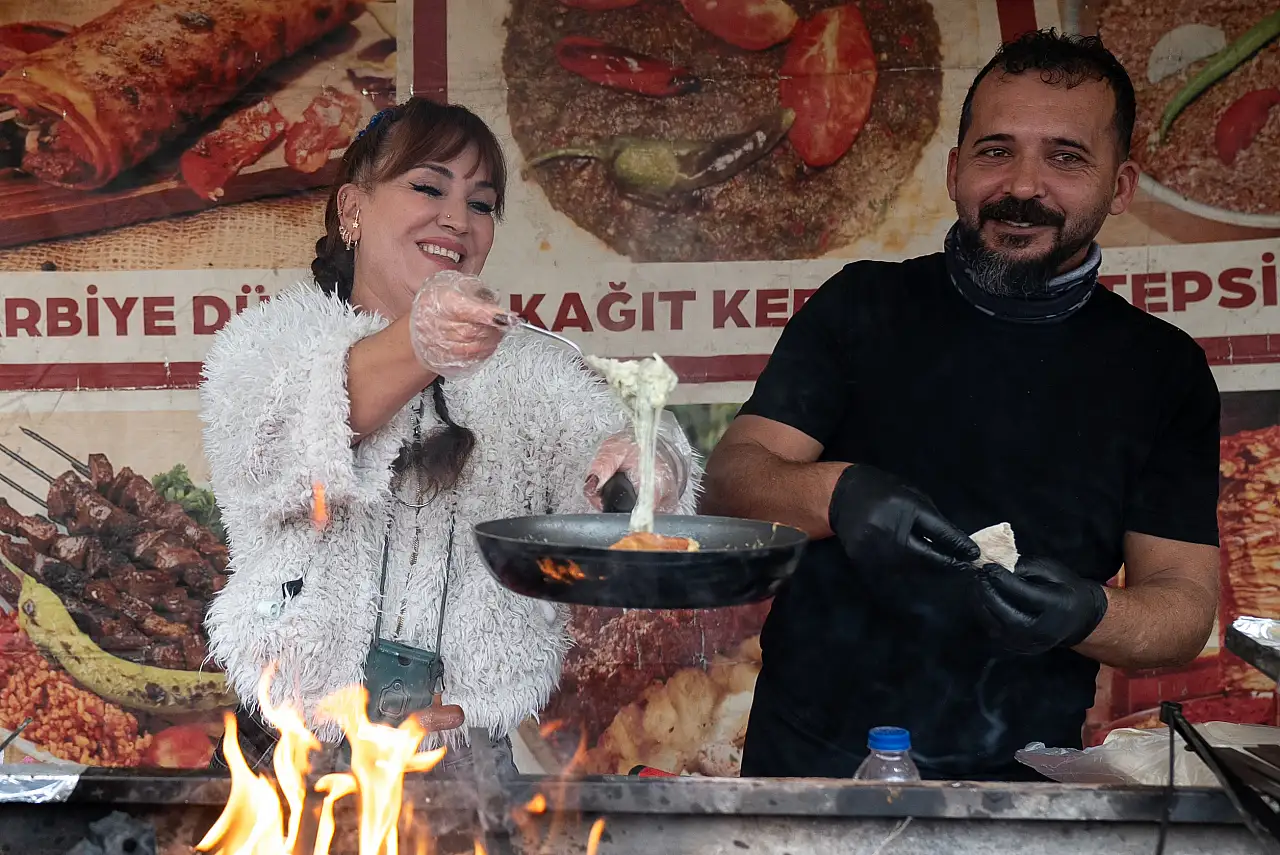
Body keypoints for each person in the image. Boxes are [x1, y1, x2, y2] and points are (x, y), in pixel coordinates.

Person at [702, 30, 1221, 781]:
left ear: (1122, 184)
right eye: (996, 150)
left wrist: (1090, 613)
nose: (1023, 185)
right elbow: (732, 479)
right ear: (954, 170)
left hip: (1027, 779)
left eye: (1066, 157)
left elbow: (1182, 608)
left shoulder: (1162, 368)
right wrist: (839, 493)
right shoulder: (863, 305)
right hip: (811, 763)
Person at [199, 98, 699, 772]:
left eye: (483, 204)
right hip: (293, 747)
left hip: (464, 756)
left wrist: (652, 460)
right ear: (352, 208)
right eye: (428, 187)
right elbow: (289, 443)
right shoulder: (267, 344)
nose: (458, 219)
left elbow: (609, 454)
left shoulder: (529, 368)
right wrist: (420, 339)